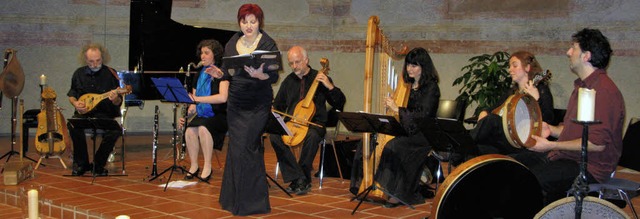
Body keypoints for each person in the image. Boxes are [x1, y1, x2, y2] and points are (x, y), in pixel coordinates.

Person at [512, 28, 625, 205]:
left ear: (586, 56)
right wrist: (553, 130)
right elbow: (573, 130)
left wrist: (551, 144)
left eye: (573, 48)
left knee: (528, 181)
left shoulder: (604, 91)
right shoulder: (582, 87)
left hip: (589, 167)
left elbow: (596, 144)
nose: (568, 52)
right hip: (566, 157)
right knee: (510, 166)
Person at [218, 4, 279, 216]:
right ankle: (232, 200)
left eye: (253, 21)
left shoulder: (268, 43)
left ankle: (253, 203)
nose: (249, 26)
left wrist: (260, 75)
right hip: (236, 103)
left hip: (258, 103)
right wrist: (220, 75)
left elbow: (274, 76)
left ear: (259, 22)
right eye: (245, 22)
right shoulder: (232, 42)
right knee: (236, 148)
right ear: (240, 23)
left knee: (247, 147)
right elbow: (227, 72)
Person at [369, 47, 441, 207]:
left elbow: (422, 116)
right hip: (408, 129)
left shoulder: (431, 88)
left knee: (394, 146)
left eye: (414, 66)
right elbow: (405, 117)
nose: (409, 68)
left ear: (423, 67)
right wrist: (393, 109)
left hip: (423, 134)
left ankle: (399, 193)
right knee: (369, 143)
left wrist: (397, 109)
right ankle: (383, 188)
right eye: (408, 64)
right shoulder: (407, 86)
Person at [269, 46, 346, 195]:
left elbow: (340, 102)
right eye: (291, 63)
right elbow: (278, 104)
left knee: (312, 136)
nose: (294, 66)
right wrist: (272, 109)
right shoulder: (288, 81)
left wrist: (330, 86)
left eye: (297, 62)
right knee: (274, 136)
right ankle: (298, 177)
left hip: (315, 124)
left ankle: (301, 177)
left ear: (306, 60)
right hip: (291, 123)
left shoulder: (320, 78)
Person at [471, 51, 555, 155]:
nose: (510, 70)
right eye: (510, 66)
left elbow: (548, 120)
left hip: (520, 139)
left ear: (527, 68)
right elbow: (494, 108)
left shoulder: (541, 90)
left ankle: (461, 147)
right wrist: (484, 111)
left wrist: (536, 100)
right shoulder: (511, 92)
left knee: (492, 120)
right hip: (506, 136)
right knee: (481, 147)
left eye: (514, 65)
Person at [67, 43, 122, 176]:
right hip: (84, 114)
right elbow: (72, 94)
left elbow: (119, 101)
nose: (96, 64)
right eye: (91, 61)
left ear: (102, 58)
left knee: (115, 130)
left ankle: (98, 165)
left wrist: (115, 99)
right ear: (86, 60)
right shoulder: (78, 73)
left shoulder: (111, 73)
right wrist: (75, 103)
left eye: (98, 60)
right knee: (73, 125)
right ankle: (82, 164)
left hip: (104, 115)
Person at [178, 39, 228, 182]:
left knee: (203, 128)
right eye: (201, 53)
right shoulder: (198, 74)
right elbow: (194, 103)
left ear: (215, 55)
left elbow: (222, 98)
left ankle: (207, 165)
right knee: (189, 130)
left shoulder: (221, 72)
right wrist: (189, 114)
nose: (202, 56)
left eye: (207, 53)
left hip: (220, 114)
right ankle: (194, 166)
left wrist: (198, 100)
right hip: (203, 114)